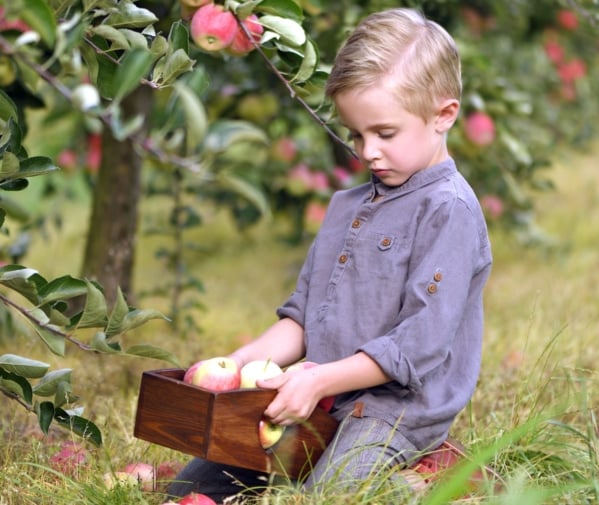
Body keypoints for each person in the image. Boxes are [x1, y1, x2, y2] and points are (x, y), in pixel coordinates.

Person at [167, 7, 492, 502]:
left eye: (384, 133)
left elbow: (419, 344)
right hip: (318, 395)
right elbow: (302, 320)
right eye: (356, 134)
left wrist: (321, 379)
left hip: (394, 409)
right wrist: (236, 366)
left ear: (443, 115)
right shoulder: (347, 207)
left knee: (328, 496)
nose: (368, 152)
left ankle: (428, 478)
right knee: (195, 485)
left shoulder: (448, 211)